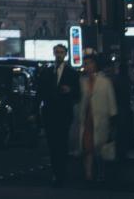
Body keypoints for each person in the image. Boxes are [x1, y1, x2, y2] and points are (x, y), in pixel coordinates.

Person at [38, 44, 80, 185]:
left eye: (61, 52)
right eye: (57, 52)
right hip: (49, 112)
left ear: (65, 54)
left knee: (62, 143)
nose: (59, 55)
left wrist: (70, 90)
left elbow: (78, 94)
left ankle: (61, 172)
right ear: (53, 53)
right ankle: (56, 172)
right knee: (52, 143)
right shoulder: (47, 72)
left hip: (64, 113)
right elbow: (40, 92)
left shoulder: (72, 73)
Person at [77, 54, 117, 182]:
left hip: (100, 118)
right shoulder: (82, 81)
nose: (87, 66)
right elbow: (79, 101)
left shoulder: (105, 81)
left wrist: (112, 117)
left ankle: (100, 172)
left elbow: (111, 101)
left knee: (99, 148)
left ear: (95, 65)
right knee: (87, 147)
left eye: (90, 63)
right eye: (86, 63)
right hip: (86, 118)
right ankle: (88, 174)